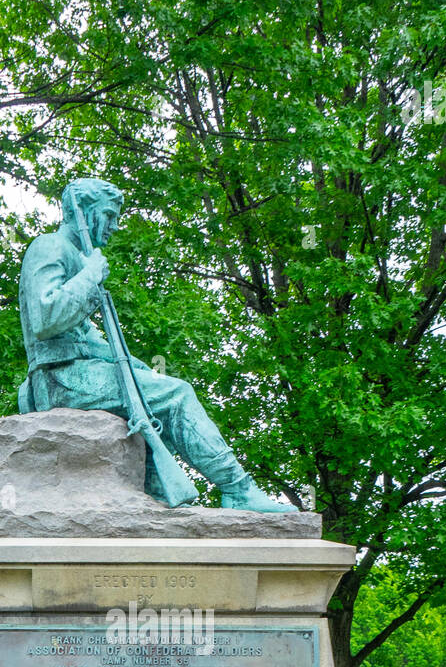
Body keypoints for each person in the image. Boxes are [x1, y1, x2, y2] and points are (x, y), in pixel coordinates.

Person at [18, 177, 297, 511]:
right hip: (58, 379)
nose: (114, 226)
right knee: (177, 394)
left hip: (75, 374)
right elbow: (45, 320)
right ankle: (237, 488)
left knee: (150, 391)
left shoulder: (75, 258)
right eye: (108, 215)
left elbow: (87, 339)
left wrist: (131, 363)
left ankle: (155, 494)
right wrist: (91, 275)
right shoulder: (50, 246)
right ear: (84, 212)